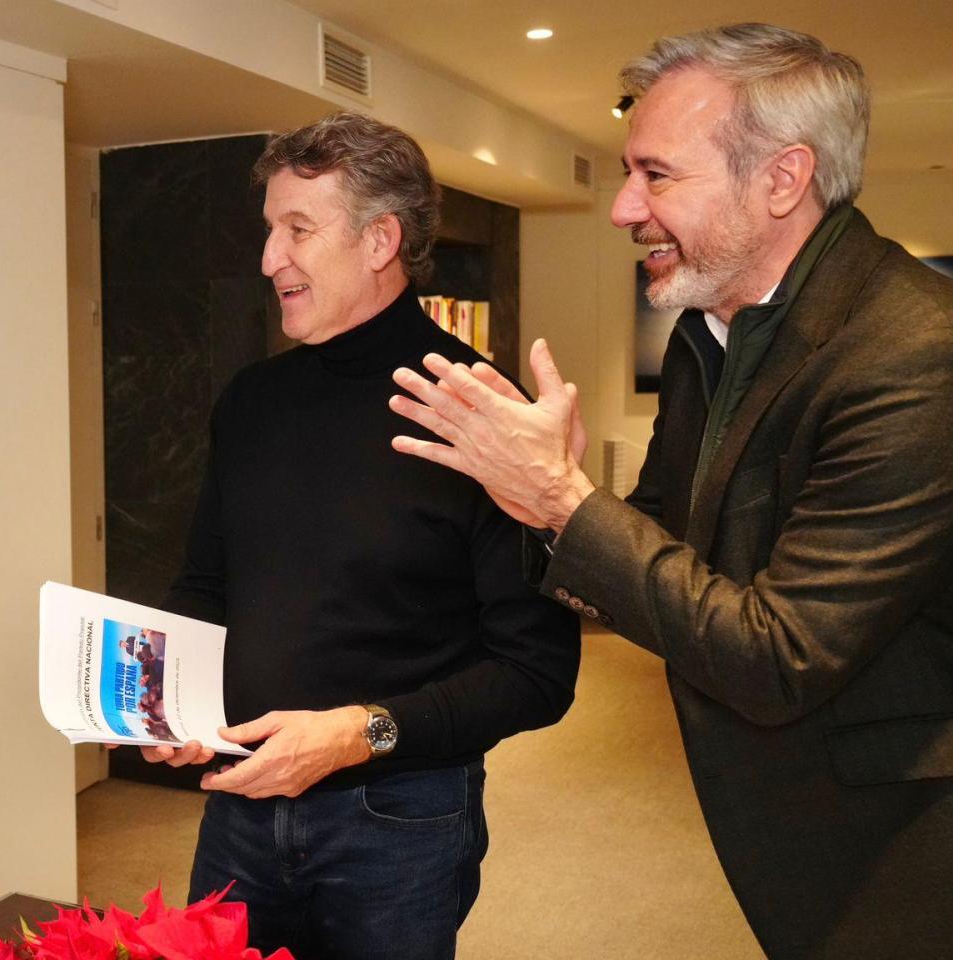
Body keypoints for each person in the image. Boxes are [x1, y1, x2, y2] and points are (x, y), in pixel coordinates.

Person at [388, 24, 953, 960]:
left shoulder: (914, 357)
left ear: (781, 180)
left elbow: (777, 658)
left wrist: (566, 501)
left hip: (902, 844)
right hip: (792, 823)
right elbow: (657, 539)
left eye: (657, 175)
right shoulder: (711, 336)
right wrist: (543, 502)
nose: (622, 207)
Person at [147, 113, 580, 960]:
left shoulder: (484, 418)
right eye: (270, 230)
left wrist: (359, 731)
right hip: (238, 806)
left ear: (381, 240)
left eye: (298, 230)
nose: (270, 258)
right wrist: (170, 697)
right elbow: (205, 585)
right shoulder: (250, 401)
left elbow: (536, 674)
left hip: (400, 824)